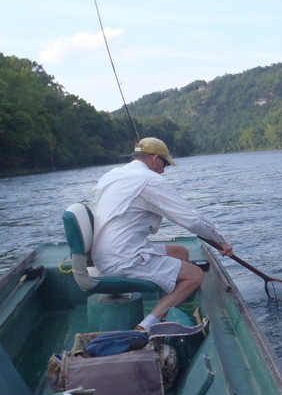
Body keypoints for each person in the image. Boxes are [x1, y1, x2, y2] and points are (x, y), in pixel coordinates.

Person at [92, 137, 234, 331]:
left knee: (181, 253)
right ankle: (146, 326)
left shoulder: (112, 175)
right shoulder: (151, 181)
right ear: (154, 159)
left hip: (102, 256)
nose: (164, 169)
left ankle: (170, 303)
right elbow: (191, 220)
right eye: (164, 163)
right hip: (122, 259)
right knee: (195, 275)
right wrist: (221, 242)